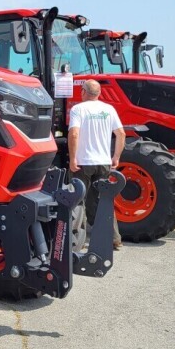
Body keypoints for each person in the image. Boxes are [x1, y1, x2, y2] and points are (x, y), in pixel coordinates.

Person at [68, 79, 126, 250]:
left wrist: (73, 158)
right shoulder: (109, 109)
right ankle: (114, 239)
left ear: (83, 92)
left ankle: (78, 241)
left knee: (78, 200)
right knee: (104, 200)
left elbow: (74, 134)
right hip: (103, 162)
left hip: (83, 163)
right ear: (99, 93)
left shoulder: (78, 109)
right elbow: (121, 134)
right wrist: (116, 157)